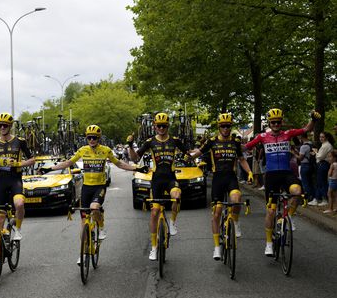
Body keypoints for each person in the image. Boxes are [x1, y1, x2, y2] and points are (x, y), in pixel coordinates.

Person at [40, 124, 147, 264]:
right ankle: (84, 252)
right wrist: (49, 168)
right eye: (89, 137)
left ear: (99, 138)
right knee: (84, 223)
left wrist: (137, 168)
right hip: (86, 188)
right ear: (86, 138)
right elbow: (67, 163)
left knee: (95, 207)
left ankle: (101, 228)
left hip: (99, 186)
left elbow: (120, 164)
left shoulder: (105, 150)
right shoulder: (82, 150)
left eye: (94, 138)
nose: (92, 140)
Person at [244, 108, 320, 257]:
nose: (276, 124)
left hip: (286, 174)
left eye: (278, 122)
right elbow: (246, 147)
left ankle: (288, 216)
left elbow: (306, 128)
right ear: (269, 123)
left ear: (281, 122)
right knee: (271, 211)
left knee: (297, 191)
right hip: (271, 176)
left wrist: (314, 119)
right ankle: (268, 244)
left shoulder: (288, 134)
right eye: (273, 122)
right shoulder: (263, 136)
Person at [190, 113, 253, 260]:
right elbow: (197, 153)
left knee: (236, 199)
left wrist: (249, 172)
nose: (226, 128)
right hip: (218, 178)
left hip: (231, 177)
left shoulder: (235, 142)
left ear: (231, 127)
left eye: (228, 126)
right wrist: (188, 157)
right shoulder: (211, 141)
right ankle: (217, 247)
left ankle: (235, 221)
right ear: (219, 127)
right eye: (223, 126)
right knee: (217, 212)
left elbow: (242, 159)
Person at [127, 112, 190, 260]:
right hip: (156, 180)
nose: (161, 128)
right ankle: (154, 247)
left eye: (164, 126)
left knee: (177, 196)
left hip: (170, 177)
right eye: (159, 126)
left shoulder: (175, 141)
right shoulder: (150, 142)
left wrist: (192, 158)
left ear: (167, 126)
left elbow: (189, 153)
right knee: (155, 212)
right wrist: (130, 145)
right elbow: (135, 158)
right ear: (155, 127)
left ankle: (173, 223)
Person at [0, 112, 35, 260]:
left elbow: (32, 160)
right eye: (0, 125)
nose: (2, 127)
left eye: (5, 125)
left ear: (10, 126)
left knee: (19, 203)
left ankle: (18, 229)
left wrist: (18, 164)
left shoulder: (20, 141)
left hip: (15, 180)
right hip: (1, 182)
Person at [314, 132, 334, 206]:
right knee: (320, 182)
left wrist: (316, 152)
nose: (321, 138)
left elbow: (320, 156)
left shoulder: (326, 145)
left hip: (323, 164)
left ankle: (324, 199)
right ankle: (319, 198)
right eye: (320, 137)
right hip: (322, 164)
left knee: (322, 182)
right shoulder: (325, 145)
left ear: (326, 138)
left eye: (322, 137)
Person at [298, 133, 316, 204]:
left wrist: (293, 153)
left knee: (305, 183)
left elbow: (300, 158)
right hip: (311, 165)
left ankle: (307, 198)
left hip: (305, 165)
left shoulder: (303, 146)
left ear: (301, 137)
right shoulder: (312, 144)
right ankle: (313, 196)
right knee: (311, 182)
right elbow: (314, 154)